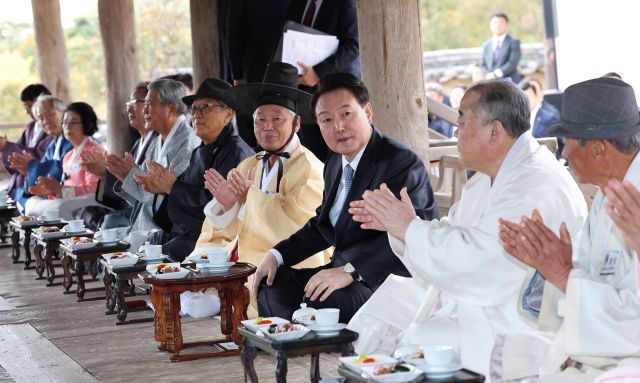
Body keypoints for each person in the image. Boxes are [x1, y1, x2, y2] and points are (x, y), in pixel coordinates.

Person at [346, 80, 587, 377]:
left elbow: (480, 260)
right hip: (474, 292)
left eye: (462, 119)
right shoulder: (490, 177)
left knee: (418, 343)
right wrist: (404, 228)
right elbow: (456, 234)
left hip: (519, 313)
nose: (456, 131)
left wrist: (409, 228)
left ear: (494, 130)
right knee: (379, 311)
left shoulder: (534, 184)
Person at [253, 72, 438, 324]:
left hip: (384, 279)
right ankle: (301, 331)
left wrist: (351, 271)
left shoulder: (399, 162)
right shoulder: (335, 162)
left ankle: (303, 330)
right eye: (326, 119)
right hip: (338, 272)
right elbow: (323, 228)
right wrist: (276, 254)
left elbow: (417, 231)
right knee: (273, 284)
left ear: (368, 113)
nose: (337, 127)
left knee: (319, 304)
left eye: (346, 114)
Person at [498, 77, 640, 382]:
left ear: (599, 149)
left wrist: (564, 274)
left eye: (568, 144)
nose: (564, 154)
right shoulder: (606, 197)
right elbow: (590, 278)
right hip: (597, 354)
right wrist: (549, 266)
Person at [194, 63, 328, 310]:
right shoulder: (247, 165)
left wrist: (250, 199)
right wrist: (230, 206)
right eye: (260, 119)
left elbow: (301, 227)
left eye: (277, 118)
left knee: (204, 305)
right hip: (242, 262)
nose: (267, 127)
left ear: (297, 123)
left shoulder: (309, 168)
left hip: (286, 268)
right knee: (191, 297)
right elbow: (223, 230)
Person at [135, 78, 254, 261]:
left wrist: (172, 188)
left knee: (162, 256)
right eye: (194, 109)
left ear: (228, 115)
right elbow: (179, 192)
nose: (197, 114)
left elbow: (215, 208)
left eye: (205, 107)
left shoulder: (235, 153)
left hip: (219, 242)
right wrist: (162, 188)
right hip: (188, 235)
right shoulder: (200, 151)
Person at [109, 79, 200, 234]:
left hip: (166, 231)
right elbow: (143, 197)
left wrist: (131, 176)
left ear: (171, 108)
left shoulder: (188, 144)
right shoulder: (156, 142)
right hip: (144, 227)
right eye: (144, 105)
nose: (144, 111)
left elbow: (164, 197)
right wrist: (128, 177)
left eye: (149, 104)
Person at [285, 0, 361, 162]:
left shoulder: (346, 3)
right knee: (313, 156)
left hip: (337, 89)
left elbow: (354, 45)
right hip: (304, 92)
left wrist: (318, 74)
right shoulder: (297, 3)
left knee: (341, 157)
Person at [77, 82, 157, 229]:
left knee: (107, 222)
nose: (129, 107)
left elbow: (149, 194)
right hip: (129, 208)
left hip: (144, 215)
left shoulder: (158, 143)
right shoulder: (139, 142)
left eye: (135, 102)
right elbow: (120, 196)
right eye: (129, 102)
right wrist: (104, 174)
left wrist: (107, 172)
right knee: (85, 214)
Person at [226, 0, 291, 148]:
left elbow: (234, 33)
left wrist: (237, 74)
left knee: (253, 130)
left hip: (254, 69)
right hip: (290, 71)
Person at [24, 102, 106, 219]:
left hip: (89, 205)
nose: (67, 126)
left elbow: (93, 190)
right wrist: (52, 191)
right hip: (70, 202)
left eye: (73, 122)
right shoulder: (68, 156)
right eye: (65, 122)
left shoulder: (94, 151)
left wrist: (60, 190)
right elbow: (64, 189)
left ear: (86, 123)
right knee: (31, 201)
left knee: (58, 207)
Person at [11, 95, 73, 212]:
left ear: (64, 113)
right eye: (41, 118)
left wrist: (32, 166)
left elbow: (58, 171)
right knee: (21, 197)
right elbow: (43, 171)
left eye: (51, 114)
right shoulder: (53, 145)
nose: (46, 121)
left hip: (70, 196)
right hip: (55, 196)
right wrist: (28, 170)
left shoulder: (72, 141)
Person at [1, 84, 54, 200]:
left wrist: (7, 147)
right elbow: (18, 151)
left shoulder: (52, 130)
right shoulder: (30, 127)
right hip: (21, 181)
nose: (27, 111)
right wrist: (6, 149)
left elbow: (39, 156)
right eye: (25, 107)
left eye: (29, 106)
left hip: (35, 183)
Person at [519, 78, 563, 157]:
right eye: (522, 98)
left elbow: (561, 144)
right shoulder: (519, 117)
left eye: (528, 97)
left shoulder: (550, 117)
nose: (525, 102)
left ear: (536, 96)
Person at [480, 11, 522, 83]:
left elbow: (513, 62)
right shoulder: (486, 44)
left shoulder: (513, 42)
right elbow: (483, 64)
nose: (498, 25)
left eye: (501, 22)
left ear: (506, 24)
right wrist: (487, 74)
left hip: (509, 81)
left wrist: (496, 74)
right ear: (490, 24)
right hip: (491, 82)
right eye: (495, 22)